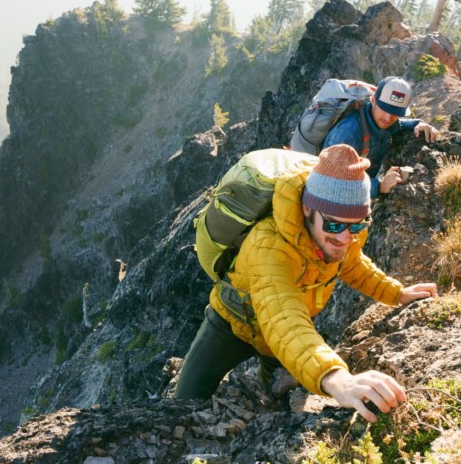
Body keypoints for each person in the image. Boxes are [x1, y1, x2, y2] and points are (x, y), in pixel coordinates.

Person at [175, 144, 438, 423]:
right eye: (335, 225)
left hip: (278, 340)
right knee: (182, 408)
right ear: (307, 208)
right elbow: (283, 317)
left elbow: (352, 264)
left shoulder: (341, 230)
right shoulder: (269, 246)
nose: (346, 238)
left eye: (357, 225)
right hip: (230, 325)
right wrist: (338, 380)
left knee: (273, 397)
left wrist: (396, 293)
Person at [322, 76, 439, 197]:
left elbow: (399, 124)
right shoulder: (347, 135)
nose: (388, 119)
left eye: (395, 113)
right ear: (373, 100)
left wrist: (419, 124)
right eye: (385, 109)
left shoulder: (382, 121)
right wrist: (379, 186)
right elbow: (331, 184)